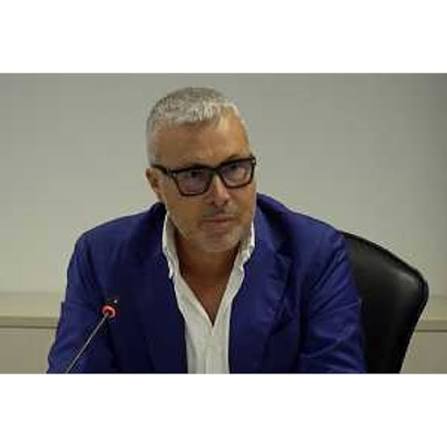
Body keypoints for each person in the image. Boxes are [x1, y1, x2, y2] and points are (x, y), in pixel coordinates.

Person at [47, 87, 365, 373]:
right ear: (156, 184)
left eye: (234, 168)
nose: (220, 195)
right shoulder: (102, 259)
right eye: (194, 175)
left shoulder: (315, 254)